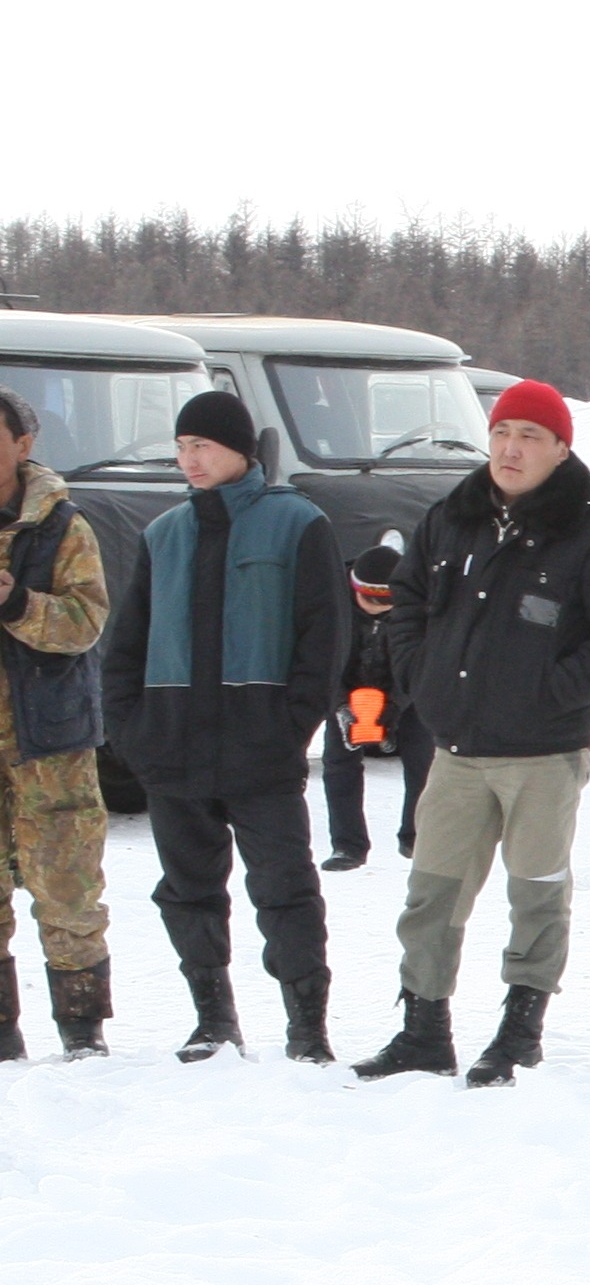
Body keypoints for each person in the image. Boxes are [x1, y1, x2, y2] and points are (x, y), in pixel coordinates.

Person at [355, 380, 590, 1087]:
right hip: (457, 749)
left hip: (543, 754)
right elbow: (407, 601)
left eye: (529, 436)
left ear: (561, 449)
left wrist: (550, 691)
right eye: (501, 433)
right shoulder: (452, 518)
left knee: (536, 894)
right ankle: (423, 1030)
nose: (511, 449)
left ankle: (520, 1032)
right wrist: (421, 677)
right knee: (431, 893)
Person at [99, 391, 345, 1063]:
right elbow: (125, 647)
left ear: (239, 449)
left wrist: (288, 728)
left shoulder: (298, 523)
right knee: (188, 893)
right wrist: (133, 733)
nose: (190, 459)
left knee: (286, 890)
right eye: (181, 447)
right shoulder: (163, 534)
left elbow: (325, 640)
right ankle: (213, 1019)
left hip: (260, 751)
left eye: (202, 445)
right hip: (172, 752)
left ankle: (307, 1028)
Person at [0, 387, 114, 1059]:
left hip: (50, 741)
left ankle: (82, 1030)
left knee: (68, 889)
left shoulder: (62, 526)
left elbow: (86, 623)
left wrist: (16, 600)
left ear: (23, 445)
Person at [316, 537, 431, 870]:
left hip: (405, 691)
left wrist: (394, 706)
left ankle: (416, 836)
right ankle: (347, 845)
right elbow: (321, 661)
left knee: (422, 761)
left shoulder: (419, 606)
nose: (375, 608)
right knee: (339, 765)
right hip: (345, 688)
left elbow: (420, 662)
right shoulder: (330, 602)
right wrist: (340, 706)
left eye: (385, 603)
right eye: (368, 600)